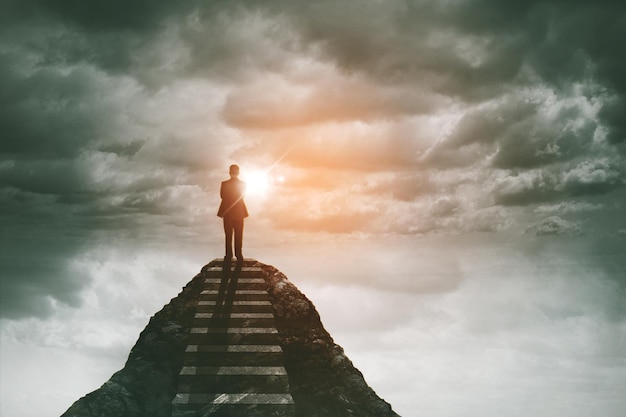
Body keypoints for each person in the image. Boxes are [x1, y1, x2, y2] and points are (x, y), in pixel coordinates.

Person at [217, 164, 248, 263]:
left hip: (228, 212)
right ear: (238, 172)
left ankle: (229, 254)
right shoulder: (243, 184)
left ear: (229, 172)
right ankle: (239, 254)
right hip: (239, 211)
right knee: (239, 234)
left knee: (228, 234)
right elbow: (243, 196)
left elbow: (222, 196)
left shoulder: (224, 184)